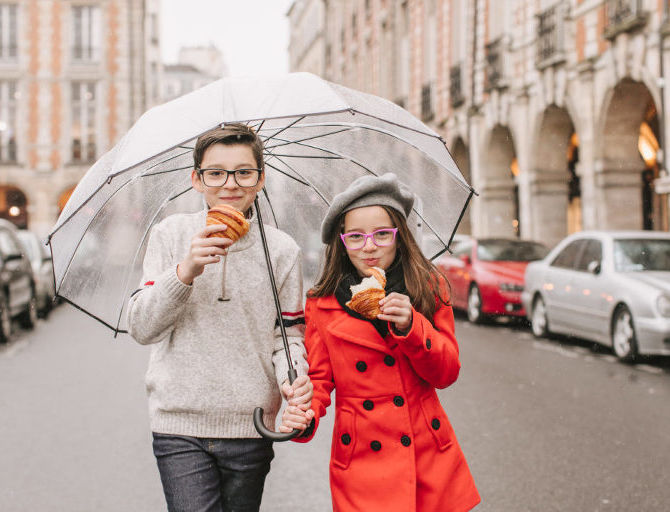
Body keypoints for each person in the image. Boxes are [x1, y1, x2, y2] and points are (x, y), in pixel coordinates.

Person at [127, 123, 313, 512]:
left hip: (251, 425)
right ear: (197, 179)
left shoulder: (281, 249)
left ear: (260, 179)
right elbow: (142, 327)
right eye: (216, 173)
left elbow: (288, 337)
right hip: (179, 425)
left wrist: (293, 381)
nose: (230, 184)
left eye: (244, 172)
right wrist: (185, 272)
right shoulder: (170, 235)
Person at [281, 173, 480, 511]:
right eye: (356, 237)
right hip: (361, 462)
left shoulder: (429, 288)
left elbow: (446, 373)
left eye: (382, 235)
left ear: (400, 238)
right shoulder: (322, 303)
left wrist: (411, 326)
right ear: (342, 243)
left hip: (427, 456)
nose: (369, 247)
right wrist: (303, 416)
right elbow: (318, 382)